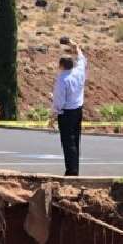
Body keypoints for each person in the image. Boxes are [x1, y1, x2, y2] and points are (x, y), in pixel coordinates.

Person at [48, 42, 87, 176]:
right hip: (78, 110)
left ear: (62, 65)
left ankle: (71, 170)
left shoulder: (62, 79)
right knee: (75, 140)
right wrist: (76, 47)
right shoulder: (79, 71)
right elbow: (82, 59)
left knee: (68, 142)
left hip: (67, 113)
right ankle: (75, 168)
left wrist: (53, 116)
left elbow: (59, 101)